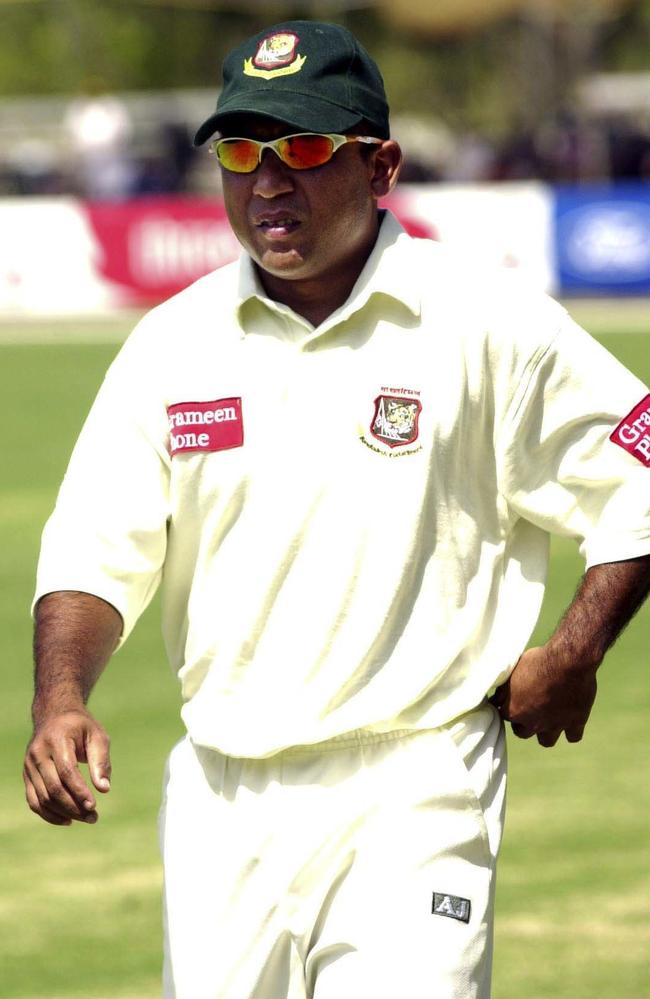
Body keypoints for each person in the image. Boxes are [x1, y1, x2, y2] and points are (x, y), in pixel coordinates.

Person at [24, 20, 650, 999]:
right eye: (241, 151)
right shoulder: (171, 343)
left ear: (380, 165)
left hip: (414, 786)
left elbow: (638, 477)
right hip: (221, 800)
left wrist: (573, 655)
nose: (268, 181)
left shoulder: (486, 321)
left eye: (306, 149)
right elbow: (96, 553)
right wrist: (61, 698)